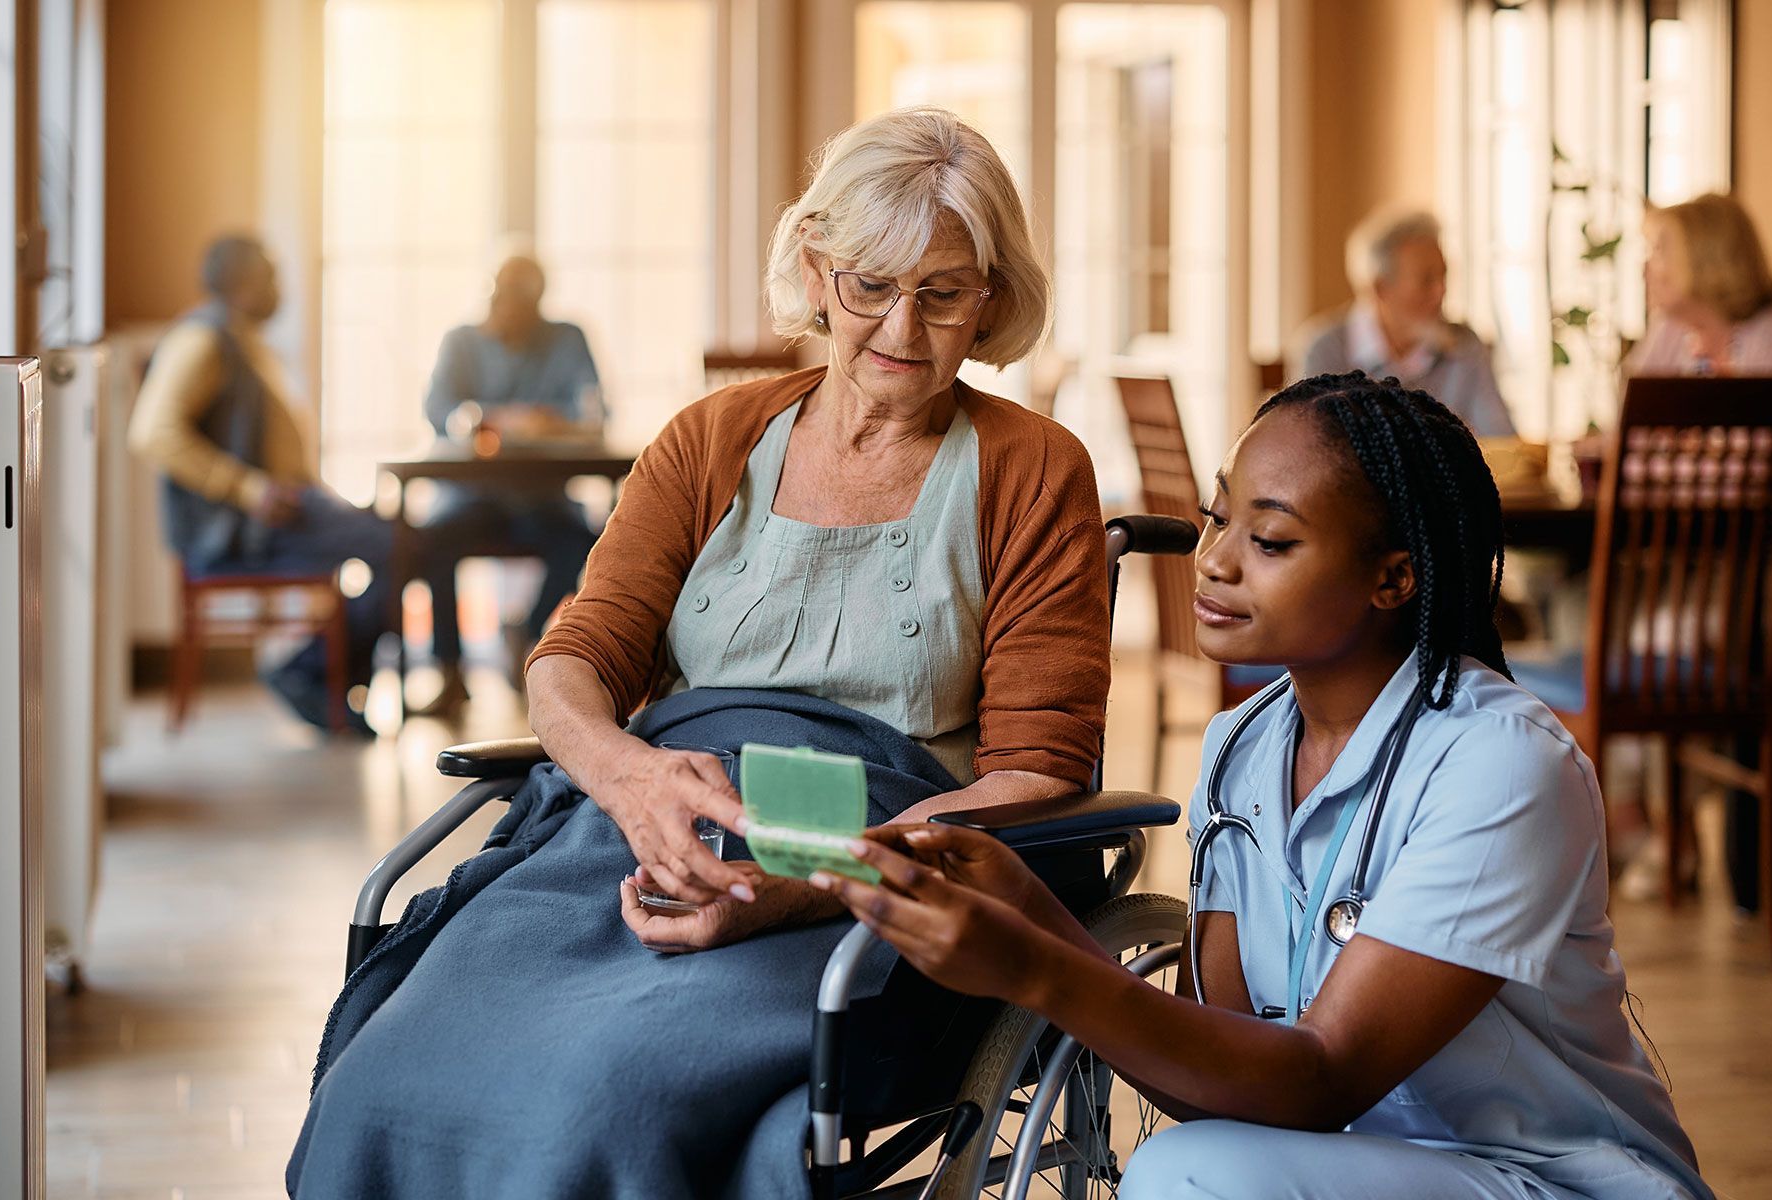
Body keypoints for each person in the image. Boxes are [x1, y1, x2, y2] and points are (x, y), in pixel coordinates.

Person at [287, 107, 1103, 1198]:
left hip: (885, 866)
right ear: (816, 271)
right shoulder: (711, 439)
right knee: (386, 1072)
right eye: (870, 284)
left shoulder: (1033, 468)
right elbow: (573, 659)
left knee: (609, 1100)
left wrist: (818, 878)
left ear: (991, 300)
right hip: (656, 818)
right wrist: (626, 779)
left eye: (944, 293)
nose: (903, 328)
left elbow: (1036, 779)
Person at [816, 372, 1711, 1200]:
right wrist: (1036, 918)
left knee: (1187, 1178)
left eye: (1271, 539)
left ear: (1393, 577)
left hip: (1541, 1177)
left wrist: (1038, 969)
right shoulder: (1240, 749)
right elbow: (1224, 1088)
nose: (1214, 559)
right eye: (1214, 519)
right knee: (1197, 1163)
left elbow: (1324, 1076)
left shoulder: (1502, 765)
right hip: (1342, 1163)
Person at [129, 234, 391, 735]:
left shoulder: (242, 338)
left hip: (286, 510)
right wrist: (248, 489)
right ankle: (309, 676)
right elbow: (152, 430)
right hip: (242, 529)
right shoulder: (203, 340)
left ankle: (324, 680)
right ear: (245, 285)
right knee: (395, 543)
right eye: (271, 276)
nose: (280, 288)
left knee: (394, 539)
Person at [1623, 192, 1772, 915]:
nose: (1649, 266)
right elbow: (1629, 452)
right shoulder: (1667, 336)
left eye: (1661, 250)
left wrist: (1668, 452)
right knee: (1582, 604)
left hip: (1758, 576)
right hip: (1673, 560)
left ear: (1706, 257)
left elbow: (1756, 470)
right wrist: (1687, 451)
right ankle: (1661, 829)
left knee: (1647, 646)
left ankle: (1651, 826)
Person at [414, 254, 603, 715]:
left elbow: (593, 412)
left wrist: (544, 423)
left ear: (537, 300)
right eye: (500, 295)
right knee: (429, 543)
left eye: (520, 298)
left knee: (591, 543)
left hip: (543, 500)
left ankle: (528, 632)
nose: (506, 307)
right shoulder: (461, 341)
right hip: (472, 498)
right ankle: (449, 671)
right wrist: (483, 419)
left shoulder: (566, 338)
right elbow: (439, 410)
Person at [1294, 210, 1516, 437]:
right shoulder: (1324, 349)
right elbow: (1312, 449)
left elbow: (1502, 440)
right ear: (1380, 289)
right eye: (1427, 280)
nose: (1442, 291)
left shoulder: (1465, 346)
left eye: (1444, 276)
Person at [1626, 193, 1772, 378]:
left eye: (1659, 250)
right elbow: (1635, 405)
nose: (1644, 269)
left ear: (1706, 259)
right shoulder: (1668, 329)